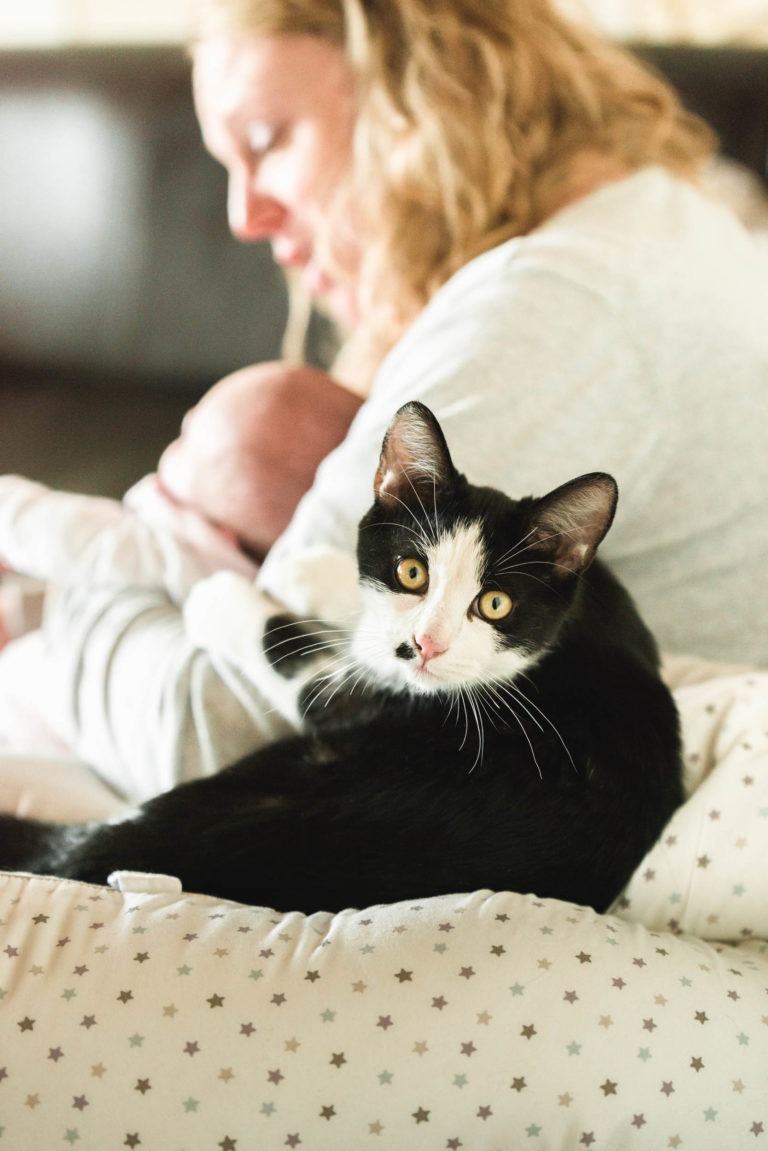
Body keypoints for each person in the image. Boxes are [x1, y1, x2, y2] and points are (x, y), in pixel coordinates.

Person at [18, 0, 768, 805]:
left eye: (267, 140)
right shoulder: (673, 217)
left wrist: (67, 614)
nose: (242, 216)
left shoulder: (547, 308)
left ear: (424, 89)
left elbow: (209, 734)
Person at [0, 360, 360, 757]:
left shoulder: (157, 545)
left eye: (188, 438)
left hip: (48, 701)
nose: (183, 421)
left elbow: (55, 531)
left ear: (219, 529)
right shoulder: (244, 575)